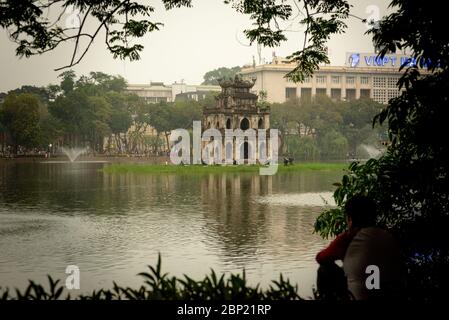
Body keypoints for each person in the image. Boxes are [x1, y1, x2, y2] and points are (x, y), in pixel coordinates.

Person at [315, 195, 403, 300]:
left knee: (324, 269)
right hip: (393, 296)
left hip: (357, 297)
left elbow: (320, 258)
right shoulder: (388, 235)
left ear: (350, 219)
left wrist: (344, 255)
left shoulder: (349, 237)